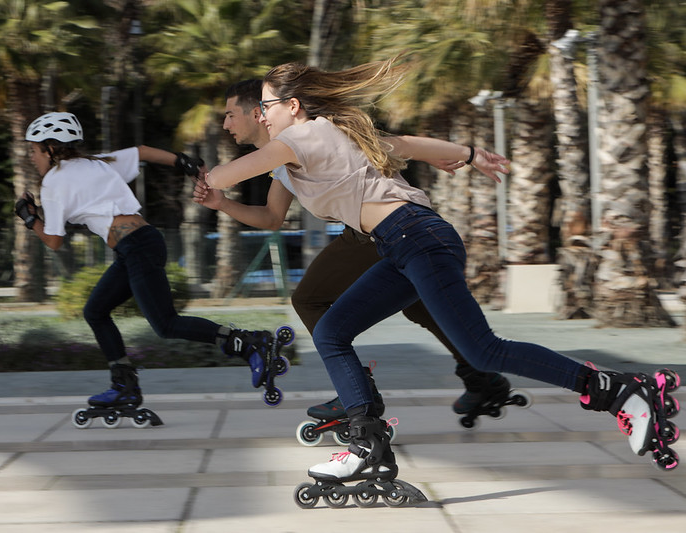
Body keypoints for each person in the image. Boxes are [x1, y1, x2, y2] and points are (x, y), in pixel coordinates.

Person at [203, 58, 680, 486]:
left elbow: (235, 171)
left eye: (266, 106)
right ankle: (368, 444)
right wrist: (470, 154)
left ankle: (619, 390)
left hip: (416, 237)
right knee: (331, 331)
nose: (261, 115)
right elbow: (404, 144)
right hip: (401, 243)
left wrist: (201, 179)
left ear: (294, 105)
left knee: (484, 349)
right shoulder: (332, 131)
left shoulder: (297, 136)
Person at [202, 79, 514, 423]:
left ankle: (357, 388)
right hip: (384, 229)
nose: (226, 124)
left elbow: (396, 144)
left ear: (258, 113)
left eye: (231, 114)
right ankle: (482, 377)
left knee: (309, 298)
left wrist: (466, 154)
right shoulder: (281, 155)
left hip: (382, 229)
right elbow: (272, 216)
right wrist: (223, 205)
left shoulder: (302, 139)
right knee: (419, 306)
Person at [16, 111, 281, 420]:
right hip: (139, 244)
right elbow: (141, 152)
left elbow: (54, 241)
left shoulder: (53, 181)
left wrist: (30, 218)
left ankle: (249, 343)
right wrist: (183, 161)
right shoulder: (98, 162)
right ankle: (123, 384)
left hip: (136, 247)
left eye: (33, 150)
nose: (31, 157)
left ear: (50, 148)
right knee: (96, 310)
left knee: (165, 324)